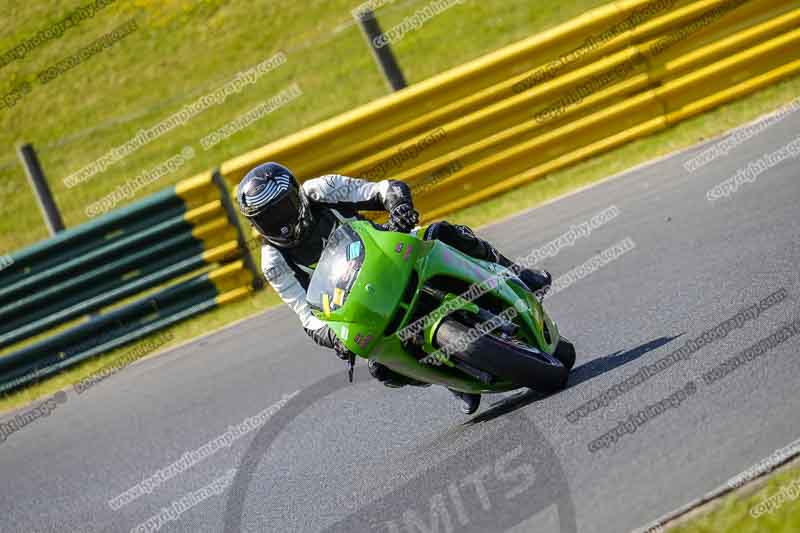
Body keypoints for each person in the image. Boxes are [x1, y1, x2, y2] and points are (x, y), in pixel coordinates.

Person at [236, 162, 551, 414]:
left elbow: (382, 189)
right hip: (362, 307)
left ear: (298, 197)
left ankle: (516, 271)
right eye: (268, 219)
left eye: (282, 210)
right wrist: (335, 337)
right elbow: (306, 315)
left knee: (442, 232)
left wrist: (398, 207)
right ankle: (451, 381)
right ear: (255, 225)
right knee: (382, 369)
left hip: (392, 253)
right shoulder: (274, 262)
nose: (282, 224)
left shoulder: (322, 190)